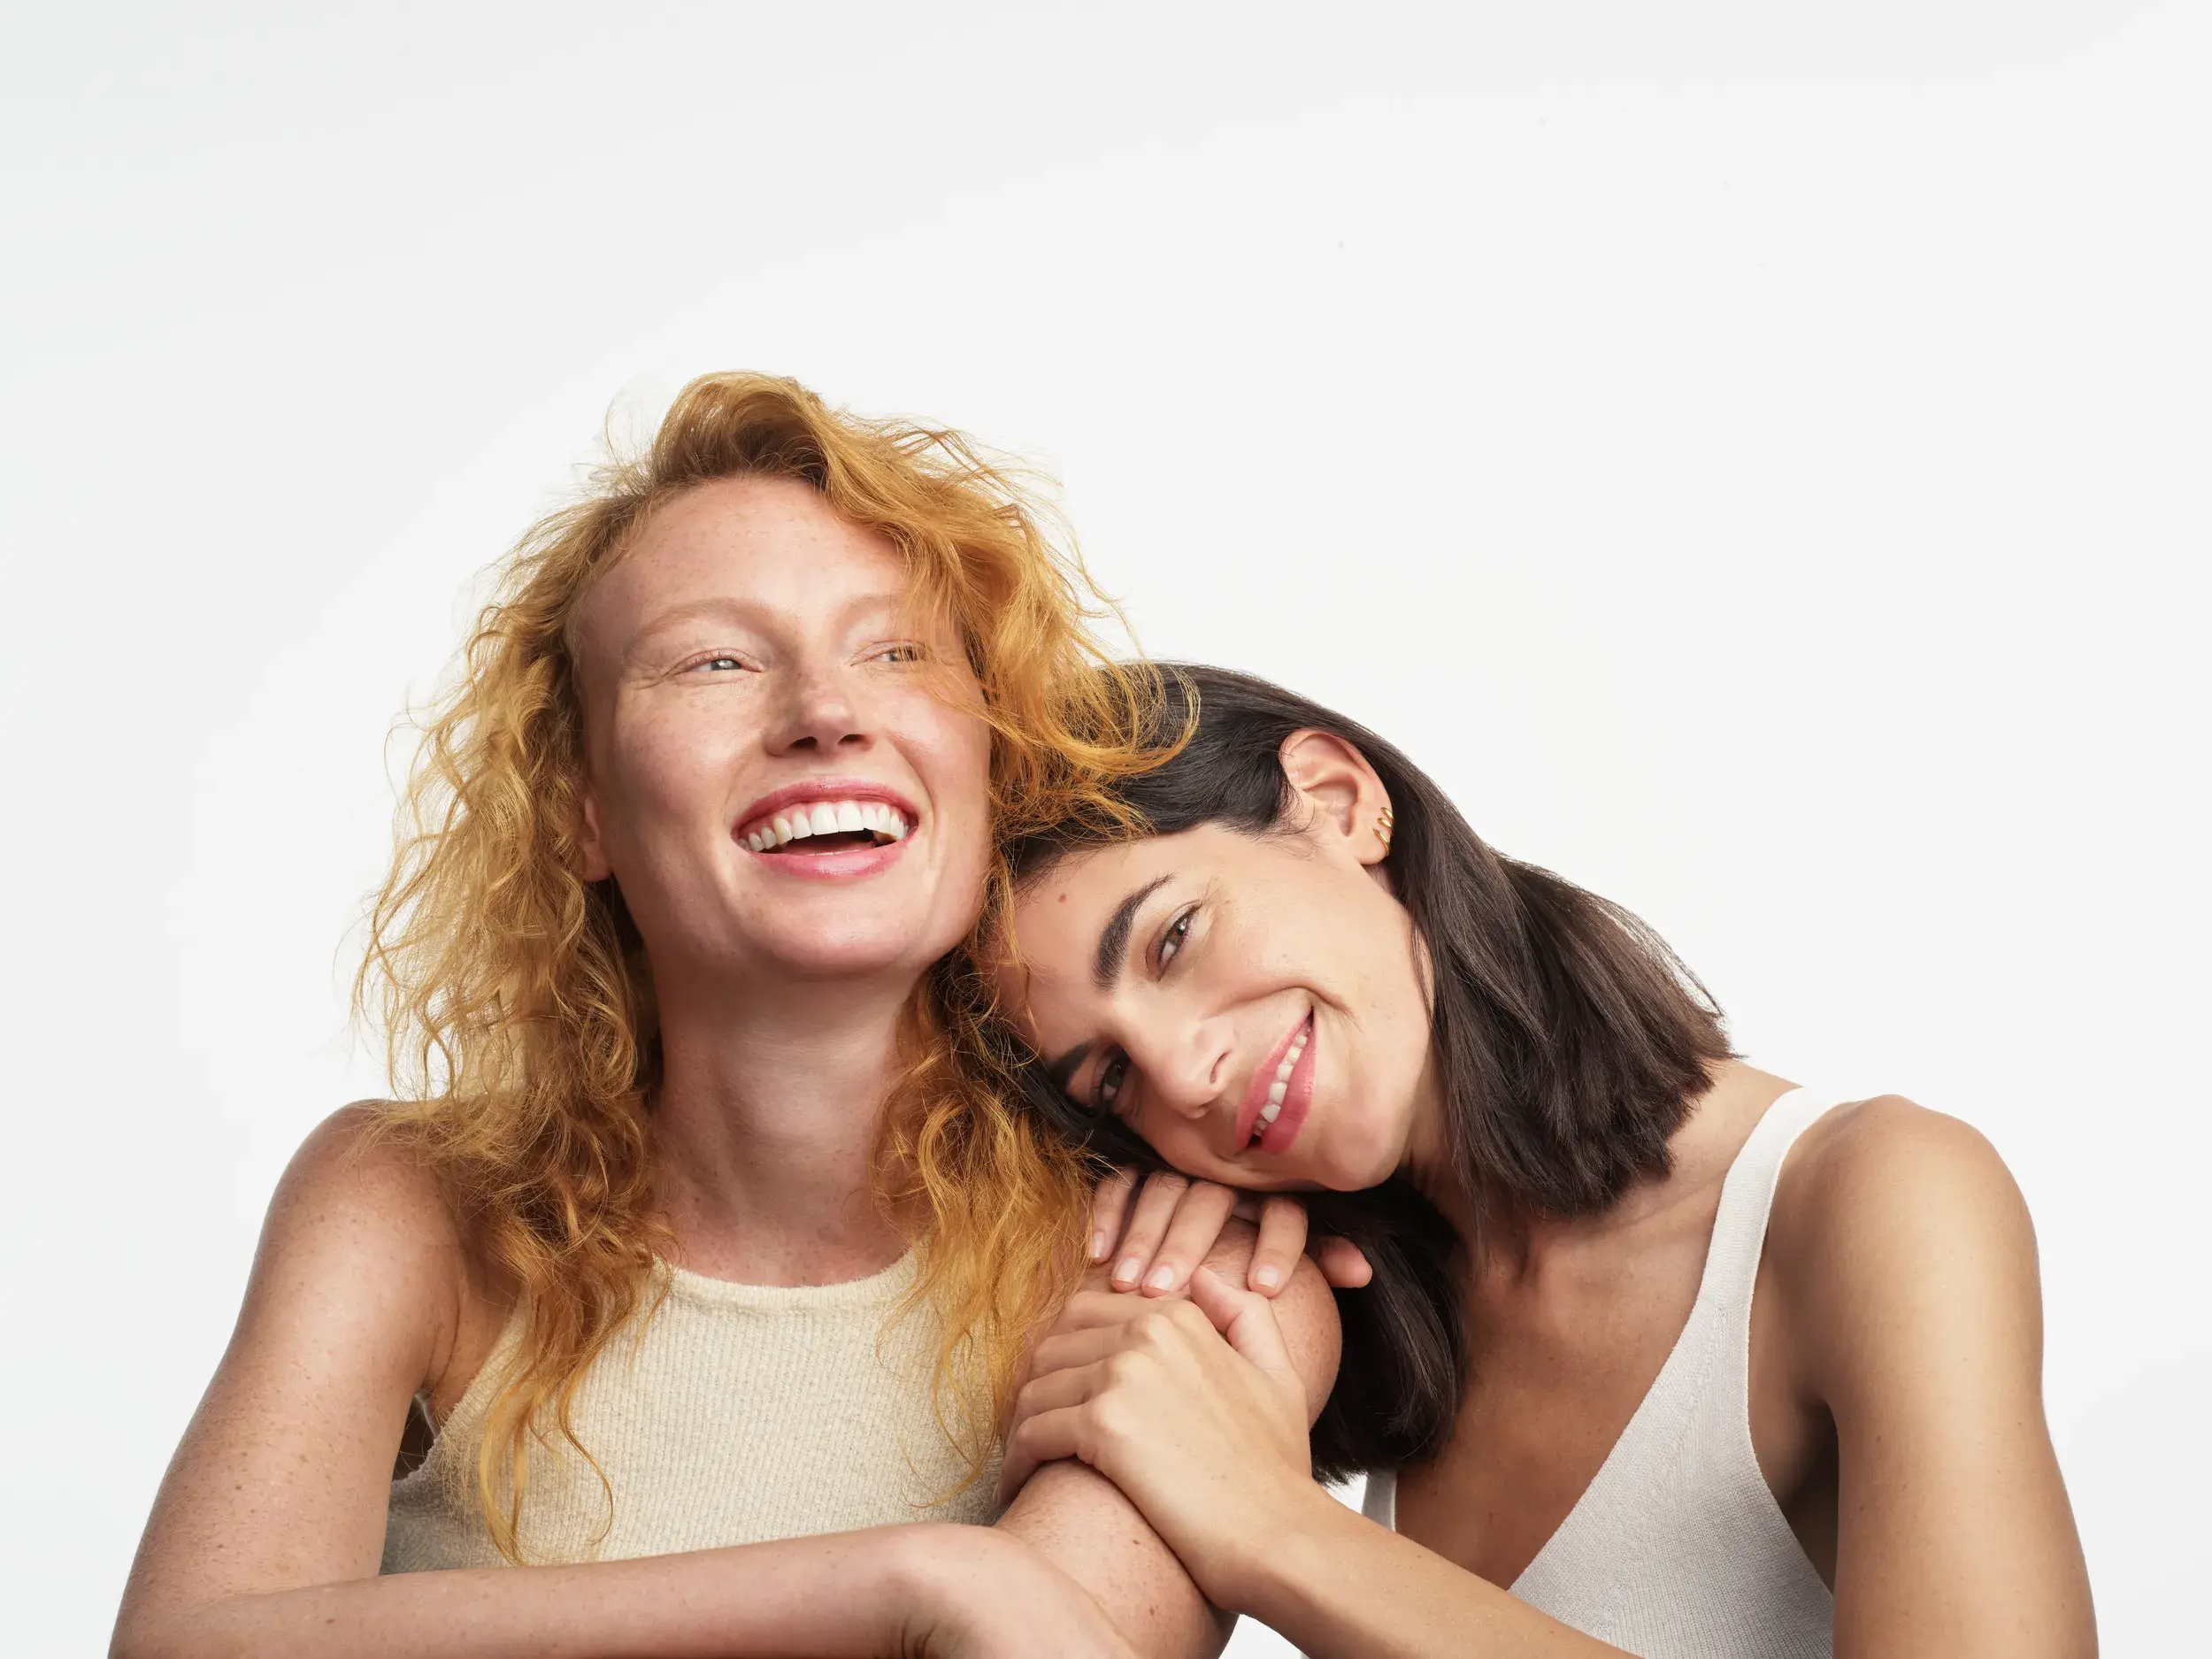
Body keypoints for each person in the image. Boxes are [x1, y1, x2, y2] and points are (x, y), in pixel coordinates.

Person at [111, 383, 1341, 1659]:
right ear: (580, 805)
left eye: (896, 649)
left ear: (994, 757)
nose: (824, 709)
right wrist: (903, 1583)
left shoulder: (1193, 1278)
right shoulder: (406, 1201)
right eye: (716, 660)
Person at [985, 664, 2097, 1658]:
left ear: (1336, 801)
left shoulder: (1875, 1198)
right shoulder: (1363, 1325)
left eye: (1172, 939)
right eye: (1112, 1080)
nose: (1183, 1074)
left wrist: (1274, 1530)